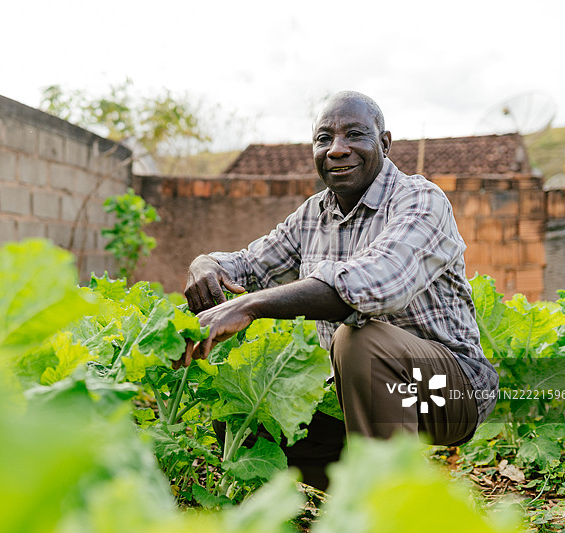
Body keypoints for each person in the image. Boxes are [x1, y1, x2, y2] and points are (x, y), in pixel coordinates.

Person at [182, 91, 498, 490]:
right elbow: (249, 265)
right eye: (324, 139)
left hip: (450, 394)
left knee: (360, 341)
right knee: (244, 415)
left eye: (354, 134)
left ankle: (389, 506)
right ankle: (371, 489)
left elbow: (374, 285)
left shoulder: (420, 200)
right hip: (354, 396)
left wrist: (250, 306)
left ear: (384, 143)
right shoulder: (313, 215)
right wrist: (206, 265)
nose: (336, 149)